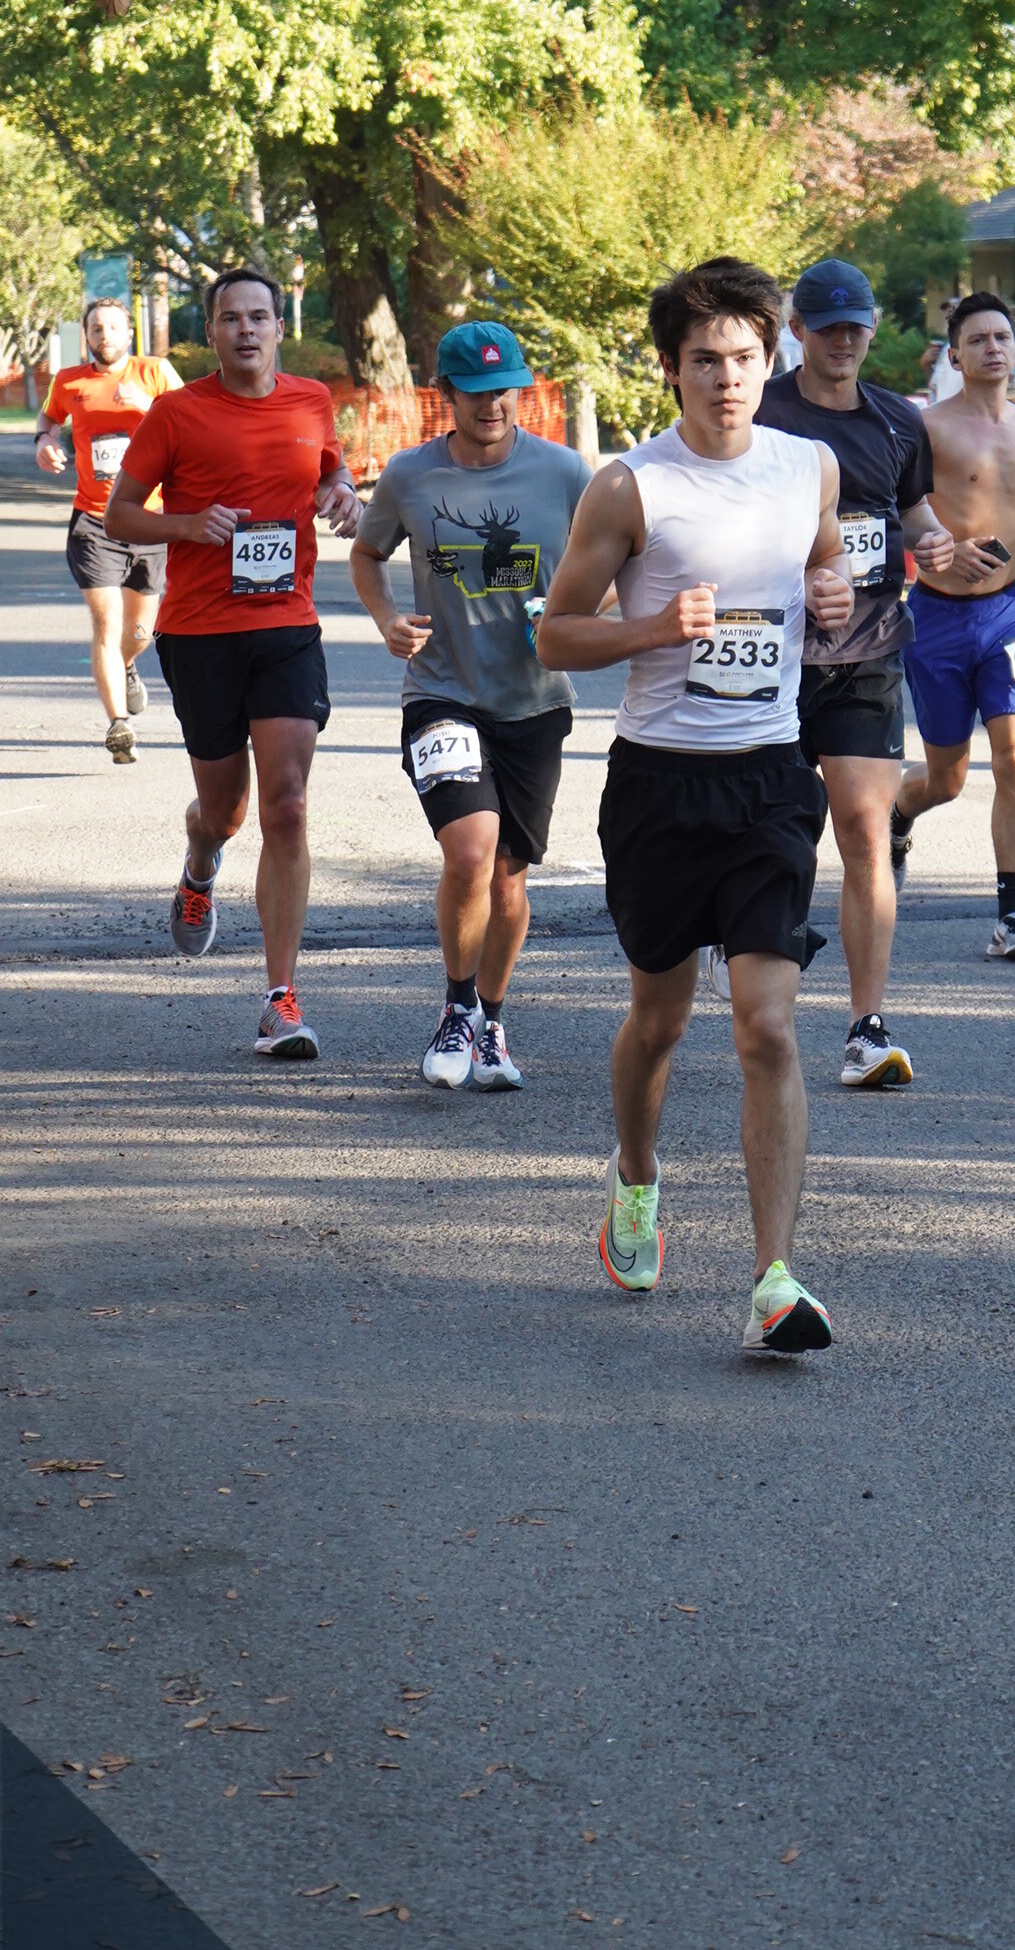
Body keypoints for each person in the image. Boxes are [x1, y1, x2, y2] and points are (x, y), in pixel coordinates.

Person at [536, 255, 853, 1353]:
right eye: (705, 359)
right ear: (670, 367)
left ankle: (774, 1280)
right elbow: (555, 633)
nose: (727, 378)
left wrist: (830, 591)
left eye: (745, 357)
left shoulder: (809, 467)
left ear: (773, 359)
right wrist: (653, 628)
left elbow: (821, 567)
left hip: (771, 777)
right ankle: (635, 1174)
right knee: (661, 1019)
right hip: (659, 784)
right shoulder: (631, 485)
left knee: (766, 1025)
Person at [104, 261, 362, 1060]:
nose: (246, 329)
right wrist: (186, 526)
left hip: (287, 626)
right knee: (227, 812)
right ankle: (201, 860)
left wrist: (344, 491)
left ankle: (280, 999)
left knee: (288, 806)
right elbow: (119, 515)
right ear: (211, 333)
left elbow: (330, 469)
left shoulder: (311, 401)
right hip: (200, 634)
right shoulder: (177, 413)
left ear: (279, 327)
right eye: (230, 318)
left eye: (259, 317)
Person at [349, 321, 590, 1093]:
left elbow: (618, 563)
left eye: (505, 391)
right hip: (442, 692)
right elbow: (366, 552)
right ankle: (456, 1008)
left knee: (510, 879)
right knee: (469, 852)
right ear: (445, 395)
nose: (493, 406)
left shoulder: (564, 472)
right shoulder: (410, 475)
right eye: (476, 393)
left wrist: (575, 613)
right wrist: (388, 618)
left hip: (536, 699)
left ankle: (490, 1020)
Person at [757, 258, 954, 1088]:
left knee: (867, 832)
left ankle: (866, 1026)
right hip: (773, 656)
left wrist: (934, 541)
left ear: (872, 330)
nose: (844, 341)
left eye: (856, 327)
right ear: (797, 330)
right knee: (776, 836)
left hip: (868, 651)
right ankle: (755, 975)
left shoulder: (899, 420)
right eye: (828, 327)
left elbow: (912, 510)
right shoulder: (762, 415)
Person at [892, 290, 1015, 962]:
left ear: (1014, 349)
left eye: (1002, 337)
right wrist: (941, 546)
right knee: (946, 779)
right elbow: (899, 506)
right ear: (955, 357)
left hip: (1009, 613)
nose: (993, 348)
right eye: (977, 340)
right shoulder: (928, 428)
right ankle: (900, 812)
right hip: (938, 617)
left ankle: (1014, 917)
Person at [34, 297, 181, 762]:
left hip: (150, 519)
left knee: (140, 632)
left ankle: (128, 664)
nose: (105, 336)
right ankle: (119, 724)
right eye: (96, 329)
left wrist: (149, 406)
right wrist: (44, 439)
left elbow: (195, 419)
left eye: (113, 327)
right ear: (87, 336)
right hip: (94, 521)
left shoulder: (155, 372)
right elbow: (49, 418)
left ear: (128, 333)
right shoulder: (69, 381)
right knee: (106, 622)